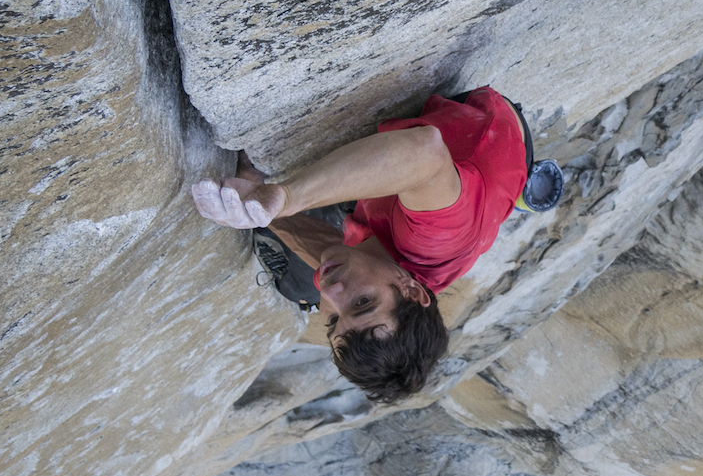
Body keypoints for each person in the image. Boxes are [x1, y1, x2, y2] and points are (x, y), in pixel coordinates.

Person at [192, 87, 562, 403]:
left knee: (306, 283)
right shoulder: (435, 239)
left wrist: (260, 209)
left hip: (449, 202)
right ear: (414, 290)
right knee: (304, 274)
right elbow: (424, 150)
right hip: (483, 125)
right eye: (362, 303)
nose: (334, 292)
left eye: (334, 321)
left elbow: (330, 261)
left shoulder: (390, 280)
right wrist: (286, 196)